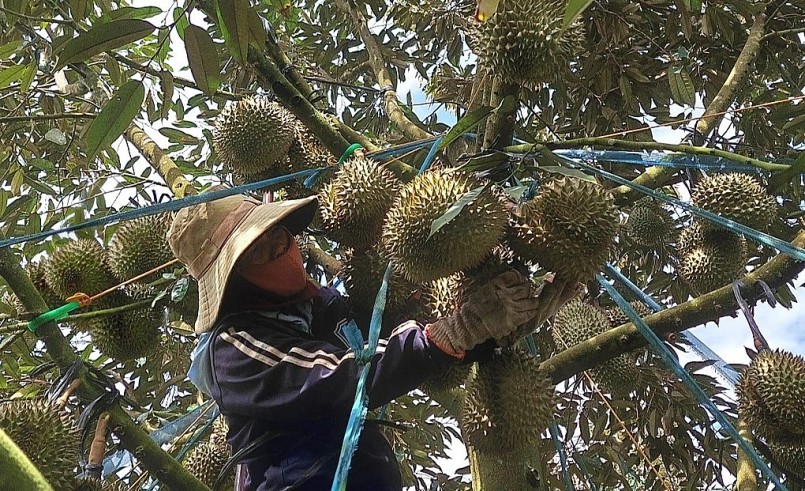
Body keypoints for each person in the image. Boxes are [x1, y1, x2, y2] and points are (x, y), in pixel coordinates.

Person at [167, 190, 541, 491]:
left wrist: (499, 326)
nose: (280, 250)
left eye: (278, 236)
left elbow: (403, 338)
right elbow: (337, 378)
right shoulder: (231, 349)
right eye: (258, 251)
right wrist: (457, 329)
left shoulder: (321, 309)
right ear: (235, 280)